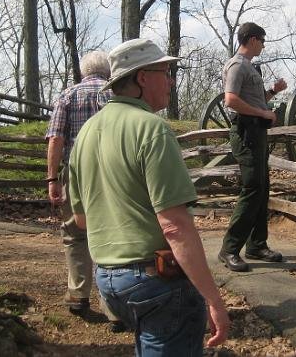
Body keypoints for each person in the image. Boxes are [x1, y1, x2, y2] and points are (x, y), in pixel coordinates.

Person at [69, 38, 229, 355]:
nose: (170, 80)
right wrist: (213, 298)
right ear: (142, 77)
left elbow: (82, 219)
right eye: (165, 71)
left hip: (108, 281)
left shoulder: (86, 132)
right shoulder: (152, 129)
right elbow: (174, 227)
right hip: (155, 282)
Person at [45, 51, 112, 314]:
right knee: (111, 233)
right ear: (107, 71)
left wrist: (52, 177)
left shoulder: (67, 96)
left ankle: (78, 294)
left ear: (83, 71)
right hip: (111, 173)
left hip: (76, 172)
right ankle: (112, 304)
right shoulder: (115, 96)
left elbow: (56, 139)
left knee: (74, 233)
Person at [218, 22, 287, 272]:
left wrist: (272, 92)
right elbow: (231, 100)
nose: (264, 45)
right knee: (252, 189)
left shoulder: (249, 68)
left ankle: (257, 244)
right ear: (253, 39)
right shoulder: (237, 65)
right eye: (262, 40)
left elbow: (253, 100)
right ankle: (229, 249)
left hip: (256, 132)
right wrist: (263, 113)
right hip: (246, 132)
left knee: (262, 188)